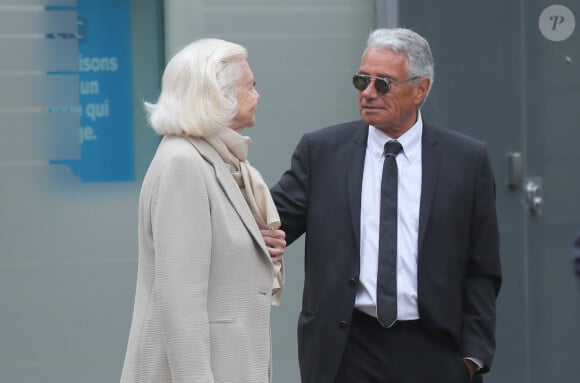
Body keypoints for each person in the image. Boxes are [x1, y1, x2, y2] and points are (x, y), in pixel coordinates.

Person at [266, 28, 502, 383]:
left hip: (436, 350)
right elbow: (267, 224)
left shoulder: (467, 161)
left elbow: (483, 268)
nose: (368, 93)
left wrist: (471, 357)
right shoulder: (322, 152)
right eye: (362, 81)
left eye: (383, 84)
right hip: (347, 349)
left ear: (421, 89)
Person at [120, 38, 285, 383]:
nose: (257, 95)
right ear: (217, 96)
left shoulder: (217, 160)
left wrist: (256, 246)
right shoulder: (183, 162)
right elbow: (180, 300)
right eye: (249, 86)